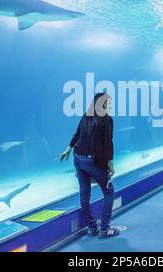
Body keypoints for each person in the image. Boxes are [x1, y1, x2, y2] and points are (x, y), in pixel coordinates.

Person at [60, 93, 119, 239]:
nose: (111, 106)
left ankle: (92, 228)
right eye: (109, 103)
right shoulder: (107, 120)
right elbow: (107, 144)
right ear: (103, 104)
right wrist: (109, 164)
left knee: (84, 194)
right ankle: (104, 229)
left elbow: (77, 134)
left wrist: (68, 149)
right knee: (109, 192)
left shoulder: (86, 116)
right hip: (92, 161)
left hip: (77, 158)